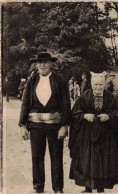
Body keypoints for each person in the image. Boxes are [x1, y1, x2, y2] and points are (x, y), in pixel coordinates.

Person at [19, 51, 71, 193]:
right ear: (36, 65)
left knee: (56, 157)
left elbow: (66, 105)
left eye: (45, 62)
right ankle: (38, 187)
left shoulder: (60, 81)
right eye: (39, 62)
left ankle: (58, 188)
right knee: (36, 157)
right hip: (35, 126)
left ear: (50, 64)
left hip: (55, 126)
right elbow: (25, 103)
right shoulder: (32, 80)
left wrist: (65, 125)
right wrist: (22, 124)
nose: (42, 65)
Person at [69, 71, 118, 193]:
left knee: (103, 160)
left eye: (100, 85)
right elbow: (74, 114)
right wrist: (84, 116)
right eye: (95, 84)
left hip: (105, 136)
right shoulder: (83, 97)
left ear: (104, 85)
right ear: (91, 84)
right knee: (86, 159)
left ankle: (100, 187)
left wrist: (109, 117)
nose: (98, 87)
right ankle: (87, 187)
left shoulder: (111, 98)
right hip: (86, 135)